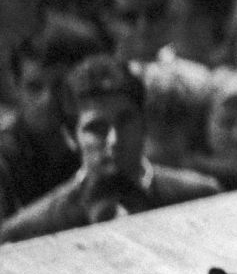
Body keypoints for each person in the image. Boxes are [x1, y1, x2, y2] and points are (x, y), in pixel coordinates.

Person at [0, 54, 222, 243]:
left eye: (125, 121)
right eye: (96, 128)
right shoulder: (30, 232)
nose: (113, 140)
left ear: (144, 124)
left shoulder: (199, 199)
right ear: (72, 136)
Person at [0, 13, 108, 221]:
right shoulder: (5, 158)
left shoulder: (104, 140)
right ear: (15, 85)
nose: (47, 101)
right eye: (34, 87)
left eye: (61, 87)